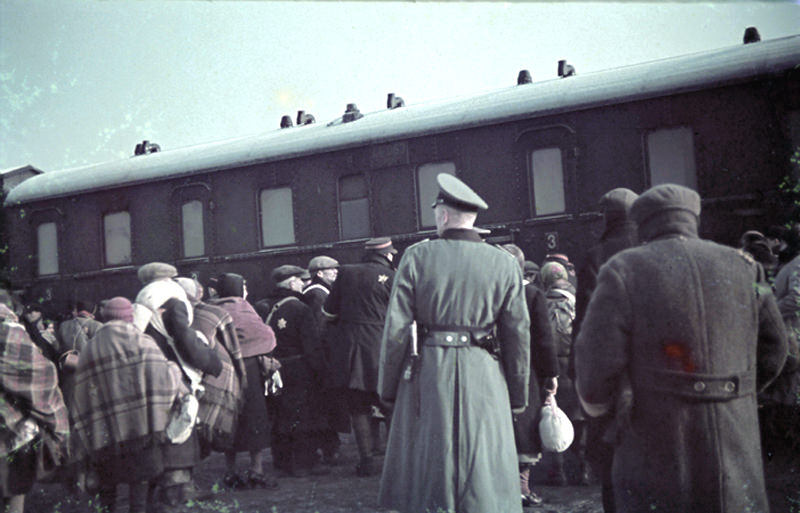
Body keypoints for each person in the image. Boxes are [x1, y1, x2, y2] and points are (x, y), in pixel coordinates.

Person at [574, 184, 788, 513]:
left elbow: (595, 367)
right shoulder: (747, 268)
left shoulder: (622, 270)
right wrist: (739, 393)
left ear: (644, 223)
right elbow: (776, 349)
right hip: (735, 435)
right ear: (693, 218)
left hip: (654, 441)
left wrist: (606, 409)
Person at [378, 173, 530, 513]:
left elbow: (396, 330)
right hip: (485, 373)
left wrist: (388, 388)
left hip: (428, 372)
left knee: (430, 461)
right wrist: (517, 396)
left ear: (443, 214)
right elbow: (518, 335)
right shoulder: (504, 263)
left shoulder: (417, 257)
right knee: (483, 463)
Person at [71, 296, 183, 513]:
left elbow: (80, 393)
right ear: (129, 317)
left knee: (107, 491)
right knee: (139, 493)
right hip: (141, 433)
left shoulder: (90, 349)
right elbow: (165, 380)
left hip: (104, 436)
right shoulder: (143, 343)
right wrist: (174, 369)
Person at [133, 262, 223, 508]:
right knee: (181, 422)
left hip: (150, 370)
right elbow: (184, 338)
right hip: (174, 371)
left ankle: (163, 487)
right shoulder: (172, 299)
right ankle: (178, 489)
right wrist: (211, 362)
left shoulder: (143, 300)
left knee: (160, 425)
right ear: (169, 279)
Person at [571, 187, 638, 513]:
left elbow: (584, 326)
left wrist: (579, 374)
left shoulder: (597, 256)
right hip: (657, 374)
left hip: (612, 378)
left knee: (614, 467)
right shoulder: (652, 249)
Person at [323, 238, 396, 476]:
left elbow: (328, 311)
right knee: (390, 404)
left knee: (358, 407)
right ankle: (398, 458)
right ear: (387, 255)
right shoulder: (391, 275)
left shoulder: (346, 272)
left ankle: (366, 461)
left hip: (351, 349)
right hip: (380, 347)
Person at [175, 277, 250, 496]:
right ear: (199, 293)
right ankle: (228, 471)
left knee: (188, 427)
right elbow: (234, 350)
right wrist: (242, 377)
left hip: (184, 377)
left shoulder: (166, 316)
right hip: (217, 377)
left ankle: (188, 479)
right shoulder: (216, 314)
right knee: (219, 427)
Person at [207, 273, 279, 489]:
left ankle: (230, 470)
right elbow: (265, 336)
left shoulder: (213, 308)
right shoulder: (242, 306)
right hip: (248, 370)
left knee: (228, 418)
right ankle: (256, 469)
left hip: (222, 370)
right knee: (254, 416)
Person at [1, 293, 70, 513]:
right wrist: (58, 427)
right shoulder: (8, 330)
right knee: (13, 493)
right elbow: (41, 377)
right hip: (10, 434)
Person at [502, 243, 559, 507]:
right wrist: (551, 374)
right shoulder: (533, 295)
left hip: (494, 369)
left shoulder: (492, 292)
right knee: (525, 428)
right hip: (528, 372)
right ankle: (523, 487)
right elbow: (545, 340)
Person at [264, 265, 330, 477]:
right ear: (292, 282)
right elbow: (312, 345)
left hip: (274, 369)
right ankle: (304, 463)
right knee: (303, 415)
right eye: (301, 280)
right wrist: (321, 372)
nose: (304, 284)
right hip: (300, 368)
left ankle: (282, 461)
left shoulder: (263, 305)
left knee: (280, 415)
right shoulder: (300, 308)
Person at [303, 255, 345, 465]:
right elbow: (320, 330)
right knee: (325, 405)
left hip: (321, 357)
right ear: (319, 273)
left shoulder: (319, 292)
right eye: (332, 270)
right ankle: (329, 448)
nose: (336, 272)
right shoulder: (318, 295)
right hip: (323, 358)